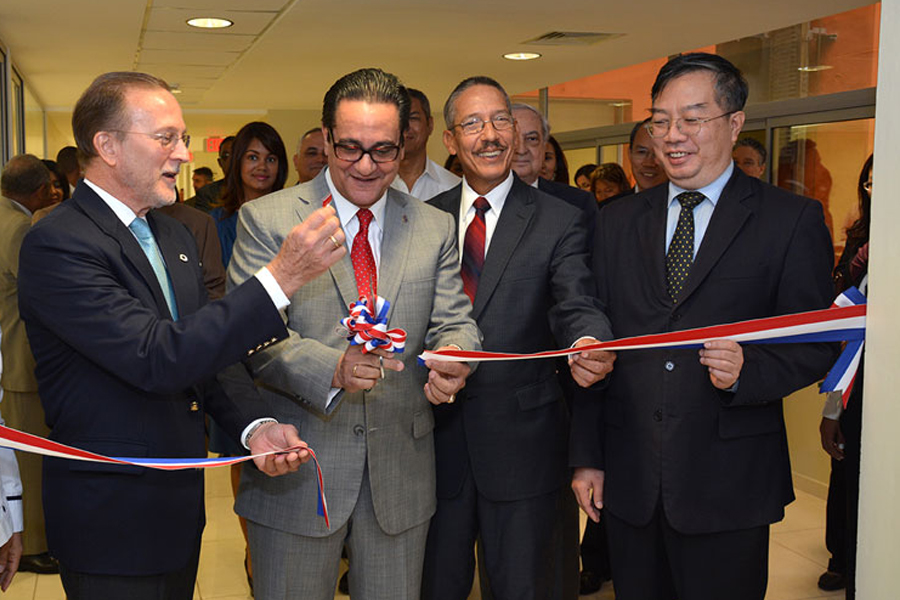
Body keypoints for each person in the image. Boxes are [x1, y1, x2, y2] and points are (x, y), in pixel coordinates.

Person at [17, 71, 347, 600]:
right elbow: (156, 356)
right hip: (111, 525)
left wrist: (253, 426)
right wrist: (279, 278)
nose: (185, 155)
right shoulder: (58, 244)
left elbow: (207, 354)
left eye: (184, 138)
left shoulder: (174, 232)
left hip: (177, 514)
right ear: (108, 146)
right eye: (166, 138)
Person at [570, 52, 837, 600]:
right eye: (661, 120)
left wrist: (749, 370)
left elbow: (816, 342)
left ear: (734, 123)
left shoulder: (790, 219)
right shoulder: (617, 220)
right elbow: (598, 335)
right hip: (630, 477)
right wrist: (588, 456)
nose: (673, 135)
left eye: (692, 119)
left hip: (729, 480)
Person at [228, 67, 481, 600]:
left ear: (405, 142)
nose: (367, 167)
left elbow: (455, 318)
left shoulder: (433, 225)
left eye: (384, 151)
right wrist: (333, 369)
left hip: (401, 472)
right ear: (324, 139)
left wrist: (457, 357)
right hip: (300, 464)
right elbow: (253, 340)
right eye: (350, 149)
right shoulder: (268, 219)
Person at [423, 76, 615, 600]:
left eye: (500, 120)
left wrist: (588, 341)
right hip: (433, 446)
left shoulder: (560, 219)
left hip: (526, 450)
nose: (490, 135)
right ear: (450, 140)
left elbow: (577, 300)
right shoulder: (422, 220)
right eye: (473, 123)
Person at [818, 154, 873, 598]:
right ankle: (846, 562)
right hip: (856, 380)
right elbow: (846, 339)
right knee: (848, 475)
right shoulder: (861, 241)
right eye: (870, 184)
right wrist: (833, 404)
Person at [0, 155, 57, 575]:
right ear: (40, 191)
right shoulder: (18, 227)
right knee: (28, 462)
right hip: (18, 358)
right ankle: (33, 544)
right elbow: (38, 291)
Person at [210, 122, 288, 270]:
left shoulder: (292, 220)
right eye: (253, 157)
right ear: (238, 162)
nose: (262, 167)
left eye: (271, 159)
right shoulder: (215, 223)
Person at [391, 88, 459, 200]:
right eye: (398, 119)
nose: (405, 126)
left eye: (413, 118)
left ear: (430, 124)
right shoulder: (373, 184)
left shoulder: (453, 187)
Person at [186, 135, 235, 213]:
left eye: (236, 154)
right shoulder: (207, 194)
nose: (231, 160)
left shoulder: (257, 189)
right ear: (220, 162)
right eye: (226, 156)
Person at [628, 118, 668, 192]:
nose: (649, 163)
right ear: (630, 154)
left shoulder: (688, 202)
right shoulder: (613, 203)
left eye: (658, 153)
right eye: (642, 152)